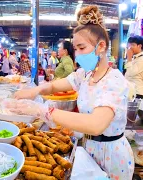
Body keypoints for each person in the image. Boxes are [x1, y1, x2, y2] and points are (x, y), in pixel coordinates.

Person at [14, 5, 134, 179]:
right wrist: (36, 90)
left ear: (101, 46)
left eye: (82, 48)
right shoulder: (85, 74)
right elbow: (55, 86)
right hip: (88, 149)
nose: (77, 55)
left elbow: (95, 125)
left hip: (111, 156)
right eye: (75, 49)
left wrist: (44, 111)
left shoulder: (114, 82)